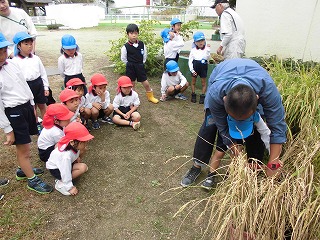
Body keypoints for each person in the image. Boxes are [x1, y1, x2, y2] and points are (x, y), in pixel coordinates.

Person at [0, 33, 52, 194]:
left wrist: (31, 106)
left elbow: (23, 85)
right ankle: (32, 180)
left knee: (27, 143)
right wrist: (8, 129)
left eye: (3, 50)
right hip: (13, 111)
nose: (2, 54)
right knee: (25, 149)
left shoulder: (11, 64)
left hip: (26, 107)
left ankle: (22, 170)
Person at [12, 32, 50, 133]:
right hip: (26, 86)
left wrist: (46, 87)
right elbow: (16, 78)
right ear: (19, 46)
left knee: (42, 105)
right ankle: (36, 124)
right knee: (33, 107)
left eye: (31, 43)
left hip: (38, 84)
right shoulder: (15, 61)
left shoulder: (36, 58)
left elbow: (43, 73)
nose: (29, 46)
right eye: (26, 44)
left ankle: (47, 123)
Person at [46, 122, 94, 196]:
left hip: (64, 164)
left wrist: (76, 158)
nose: (86, 143)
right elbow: (65, 171)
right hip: (57, 169)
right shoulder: (66, 156)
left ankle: (70, 172)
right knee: (82, 168)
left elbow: (76, 153)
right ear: (72, 142)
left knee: (83, 161)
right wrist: (70, 187)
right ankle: (61, 183)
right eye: (83, 142)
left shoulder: (72, 146)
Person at [121, 23, 159, 104]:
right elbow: (123, 58)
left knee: (145, 82)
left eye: (135, 33)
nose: (134, 35)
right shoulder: (125, 47)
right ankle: (132, 99)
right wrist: (130, 64)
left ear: (138, 33)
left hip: (140, 66)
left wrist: (141, 63)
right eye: (131, 33)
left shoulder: (142, 44)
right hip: (130, 66)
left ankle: (150, 96)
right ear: (127, 34)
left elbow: (144, 55)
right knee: (132, 84)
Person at [188, 31, 211, 104]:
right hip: (195, 67)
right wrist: (192, 70)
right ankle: (193, 94)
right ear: (195, 42)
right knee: (193, 81)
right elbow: (190, 61)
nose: (201, 42)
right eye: (198, 41)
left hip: (203, 67)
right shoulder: (193, 50)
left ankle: (202, 96)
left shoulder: (206, 49)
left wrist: (208, 51)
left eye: (202, 40)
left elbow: (207, 58)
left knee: (203, 83)